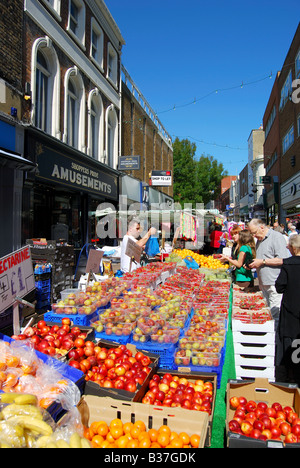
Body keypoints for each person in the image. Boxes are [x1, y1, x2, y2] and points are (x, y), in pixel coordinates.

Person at [248, 218, 290, 330]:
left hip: (274, 283)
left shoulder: (276, 237)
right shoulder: (260, 240)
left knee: (275, 315)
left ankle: (276, 342)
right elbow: (262, 258)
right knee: (267, 314)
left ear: (262, 227)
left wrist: (262, 262)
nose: (254, 236)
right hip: (264, 283)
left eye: (254, 233)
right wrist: (254, 264)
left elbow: (283, 259)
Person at [275, 235, 300, 385]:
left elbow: (279, 287)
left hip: (290, 308)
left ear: (294, 248)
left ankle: (291, 373)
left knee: (290, 340)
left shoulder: (288, 264)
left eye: (289, 246)